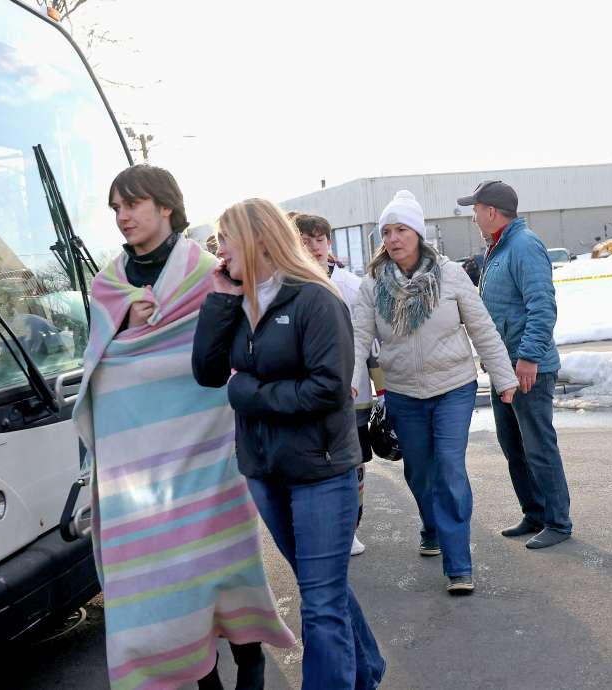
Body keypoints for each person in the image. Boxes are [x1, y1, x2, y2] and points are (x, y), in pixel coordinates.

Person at [73, 166, 294, 690]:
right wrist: (125, 320)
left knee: (222, 561)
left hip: (208, 448)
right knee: (163, 574)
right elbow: (97, 364)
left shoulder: (206, 272)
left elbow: (239, 343)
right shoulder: (108, 284)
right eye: (116, 208)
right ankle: (201, 674)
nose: (124, 216)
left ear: (166, 206)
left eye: (134, 204)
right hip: (138, 462)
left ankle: (249, 657)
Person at [193, 198, 385, 690]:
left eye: (226, 238)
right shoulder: (237, 299)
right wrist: (219, 298)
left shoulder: (316, 299)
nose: (219, 249)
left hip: (321, 470)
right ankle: (367, 671)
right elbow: (208, 372)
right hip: (264, 468)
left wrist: (250, 393)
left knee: (319, 604)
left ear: (258, 239)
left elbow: (329, 388)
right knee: (323, 589)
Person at [351, 190, 518, 594]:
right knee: (420, 470)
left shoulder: (450, 275)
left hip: (453, 387)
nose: (393, 238)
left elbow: (482, 329)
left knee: (448, 466)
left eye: (401, 229)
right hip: (404, 392)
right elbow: (357, 338)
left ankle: (458, 563)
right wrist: (350, 385)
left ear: (418, 234)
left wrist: (504, 377)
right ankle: (431, 525)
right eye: (386, 231)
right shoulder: (373, 284)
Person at [458, 180, 574, 549]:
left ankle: (558, 522)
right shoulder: (499, 247)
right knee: (514, 446)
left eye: (476, 210)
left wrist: (528, 358)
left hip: (527, 368)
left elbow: (543, 307)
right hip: (503, 367)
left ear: (491, 211)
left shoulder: (524, 246)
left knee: (539, 447)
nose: (474, 217)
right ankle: (535, 512)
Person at [290, 211, 373, 557]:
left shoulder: (351, 286)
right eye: (304, 241)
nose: (313, 248)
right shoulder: (287, 284)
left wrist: (381, 392)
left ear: (330, 242)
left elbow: (370, 343)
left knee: (352, 462)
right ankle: (319, 527)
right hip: (307, 394)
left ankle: (350, 528)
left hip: (352, 395)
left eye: (319, 240)